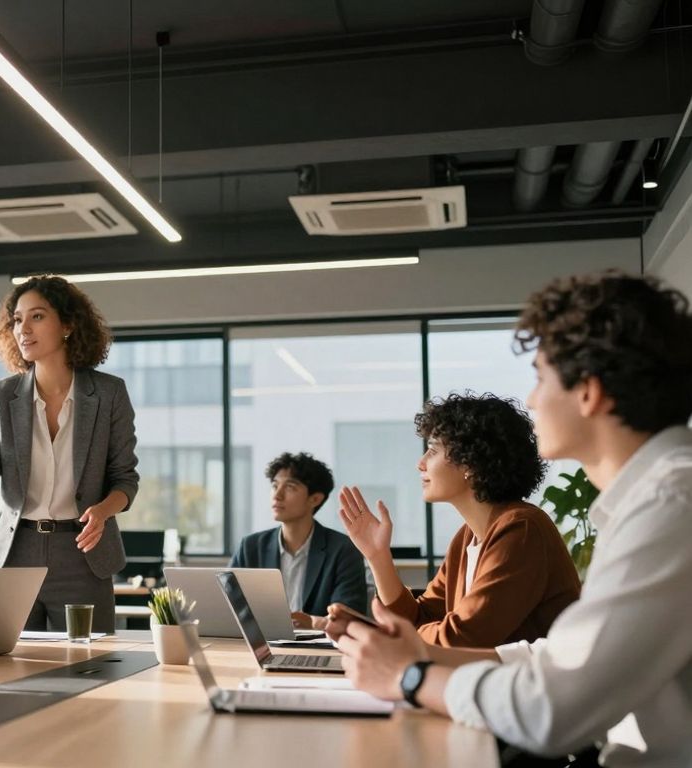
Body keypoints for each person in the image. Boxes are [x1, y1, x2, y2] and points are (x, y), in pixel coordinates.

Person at [331, 271, 692, 767]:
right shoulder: (651, 501)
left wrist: (410, 674)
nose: (531, 399)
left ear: (588, 392)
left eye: (541, 378)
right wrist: (402, 637)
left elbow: (551, 708)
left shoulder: (670, 506)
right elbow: (550, 657)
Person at [0, 274, 139, 632]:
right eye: (17, 319)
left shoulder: (109, 394)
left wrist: (103, 511)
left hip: (83, 553)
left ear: (68, 324)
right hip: (14, 553)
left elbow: (125, 478)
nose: (23, 329)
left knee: (89, 669)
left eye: (37, 316)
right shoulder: (1, 397)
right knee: (8, 667)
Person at [338, 393, 579, 648]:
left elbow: (461, 638)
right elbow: (419, 619)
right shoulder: (467, 537)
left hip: (530, 685)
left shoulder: (522, 529)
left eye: (432, 451)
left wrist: (392, 635)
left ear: (470, 463)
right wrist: (378, 556)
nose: (420, 464)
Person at [228, 452, 366, 627]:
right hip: (263, 644)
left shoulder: (343, 549)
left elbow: (350, 616)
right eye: (274, 485)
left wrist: (313, 623)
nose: (277, 495)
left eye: (290, 487)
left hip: (319, 647)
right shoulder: (250, 547)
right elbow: (227, 605)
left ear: (315, 499)